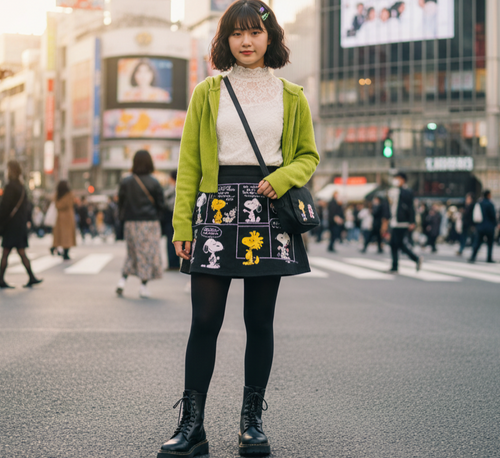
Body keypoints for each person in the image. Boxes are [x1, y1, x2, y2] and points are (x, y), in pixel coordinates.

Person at [158, 2, 319, 457]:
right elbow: (189, 164)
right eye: (236, 33)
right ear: (225, 39)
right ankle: (192, 426)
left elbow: (308, 156)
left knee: (259, 322)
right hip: (215, 209)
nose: (246, 41)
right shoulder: (207, 91)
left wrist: (282, 178)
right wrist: (182, 224)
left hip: (268, 210)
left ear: (271, 37)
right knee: (204, 321)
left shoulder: (292, 95)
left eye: (254, 32)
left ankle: (252, 423)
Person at [117, 150, 165, 298]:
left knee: (132, 253)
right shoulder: (154, 182)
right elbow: (161, 205)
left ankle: (122, 281)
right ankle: (143, 286)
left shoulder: (126, 181)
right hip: (150, 223)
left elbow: (121, 204)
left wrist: (122, 221)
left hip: (131, 223)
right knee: (147, 254)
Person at [0, 161, 42, 288]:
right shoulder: (22, 187)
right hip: (20, 225)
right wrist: (28, 221)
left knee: (6, 252)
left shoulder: (10, 187)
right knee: (21, 252)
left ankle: (1, 279)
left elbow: (5, 206)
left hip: (11, 225)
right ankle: (31, 277)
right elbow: (27, 207)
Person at [385, 172, 421, 273]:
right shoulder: (393, 191)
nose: (396, 180)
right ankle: (414, 259)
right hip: (394, 221)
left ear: (403, 180)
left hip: (403, 222)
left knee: (396, 243)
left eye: (398, 178)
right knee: (396, 244)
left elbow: (411, 207)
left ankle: (397, 265)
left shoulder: (407, 192)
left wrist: (412, 221)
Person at [469, 190, 497, 264]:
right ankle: (489, 258)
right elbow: (493, 216)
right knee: (490, 243)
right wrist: (495, 224)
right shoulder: (490, 204)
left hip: (480, 226)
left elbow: (474, 215)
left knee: (477, 242)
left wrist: (474, 225)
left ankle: (473, 257)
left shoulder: (479, 203)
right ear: (488, 195)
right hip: (489, 226)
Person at [52, 180, 76, 261]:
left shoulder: (57, 195)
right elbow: (70, 203)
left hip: (59, 218)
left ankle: (56, 248)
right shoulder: (70, 195)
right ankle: (65, 252)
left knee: (60, 236)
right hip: (68, 218)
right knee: (67, 237)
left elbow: (56, 205)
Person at [163, 170, 180, 270]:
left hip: (171, 216)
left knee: (171, 240)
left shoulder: (171, 189)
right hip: (179, 216)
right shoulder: (182, 187)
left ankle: (173, 264)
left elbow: (167, 203)